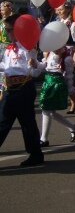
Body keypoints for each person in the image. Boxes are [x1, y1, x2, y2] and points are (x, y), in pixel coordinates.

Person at [0, 14, 44, 166]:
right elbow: (6, 69)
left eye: (10, 30)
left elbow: (35, 73)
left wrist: (34, 65)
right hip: (10, 90)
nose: (8, 33)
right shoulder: (8, 50)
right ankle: (36, 154)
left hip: (24, 89)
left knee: (27, 123)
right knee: (3, 121)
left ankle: (36, 155)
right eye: (6, 30)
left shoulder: (27, 48)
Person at [35, 46, 75, 147]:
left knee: (46, 110)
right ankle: (72, 127)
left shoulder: (66, 58)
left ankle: (44, 139)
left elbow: (69, 76)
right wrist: (36, 63)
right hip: (47, 83)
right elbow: (43, 66)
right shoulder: (49, 53)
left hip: (57, 85)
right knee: (49, 112)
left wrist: (70, 90)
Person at [55, 2, 75, 114]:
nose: (59, 11)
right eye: (58, 10)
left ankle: (73, 102)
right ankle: (69, 101)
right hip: (59, 50)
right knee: (59, 76)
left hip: (69, 51)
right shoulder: (58, 22)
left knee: (69, 78)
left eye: (61, 9)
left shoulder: (72, 24)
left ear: (67, 10)